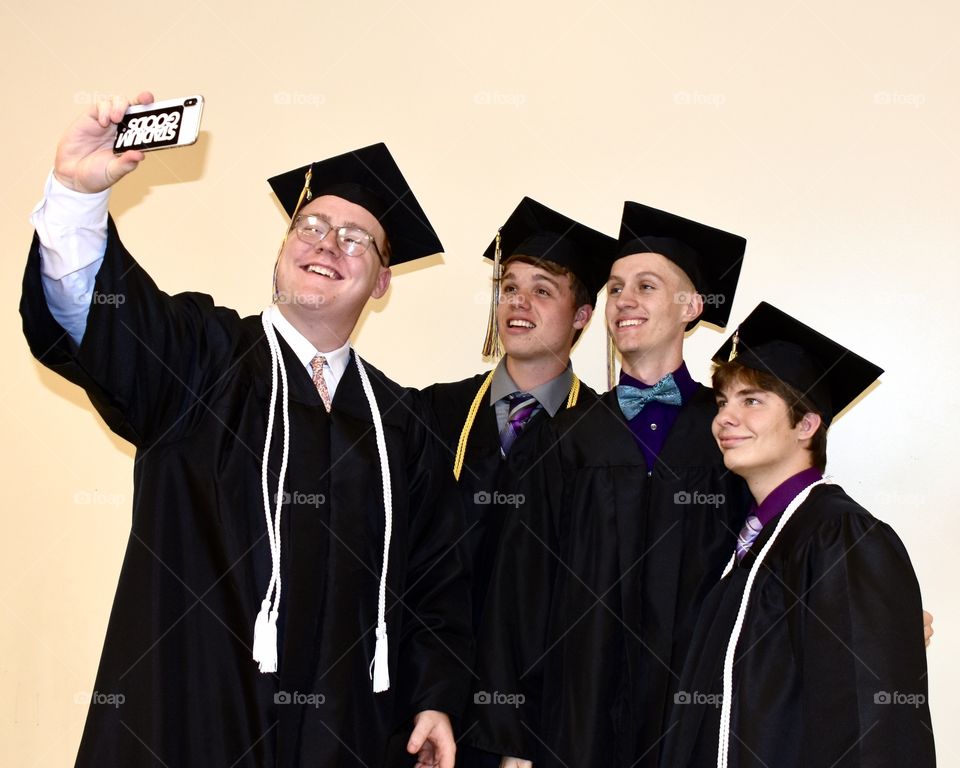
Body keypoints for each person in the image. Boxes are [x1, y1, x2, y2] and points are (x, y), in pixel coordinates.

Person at [20, 92, 472, 768]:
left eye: (356, 239)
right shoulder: (200, 359)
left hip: (345, 733)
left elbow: (435, 585)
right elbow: (104, 322)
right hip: (190, 718)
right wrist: (76, 199)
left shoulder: (401, 426)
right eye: (311, 225)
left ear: (381, 282)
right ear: (283, 246)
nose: (327, 244)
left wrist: (436, 698)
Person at [468, 201, 753, 767]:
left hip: (692, 720)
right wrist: (514, 743)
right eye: (617, 287)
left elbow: (777, 549)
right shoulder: (567, 436)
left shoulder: (728, 436)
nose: (624, 300)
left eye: (647, 286)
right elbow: (519, 594)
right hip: (574, 721)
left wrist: (869, 612)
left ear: (692, 306)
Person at [659, 301, 936, 766]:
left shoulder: (838, 534)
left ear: (807, 424)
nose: (725, 418)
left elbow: (871, 726)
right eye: (724, 402)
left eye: (752, 401)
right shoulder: (749, 542)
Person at [420, 197, 616, 767]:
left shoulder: (606, 443)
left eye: (543, 290)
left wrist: (530, 740)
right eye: (509, 287)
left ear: (582, 315)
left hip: (540, 730)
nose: (518, 303)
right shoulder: (433, 414)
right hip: (428, 713)